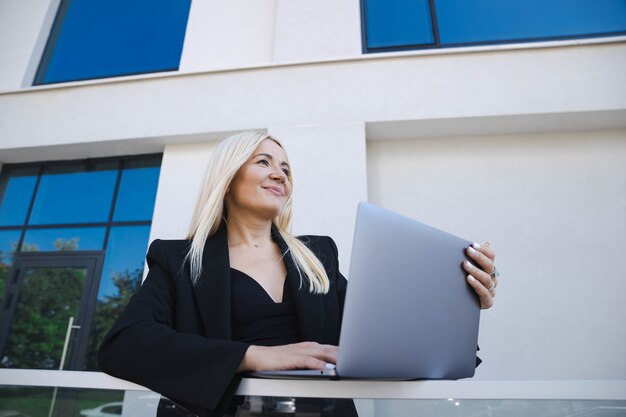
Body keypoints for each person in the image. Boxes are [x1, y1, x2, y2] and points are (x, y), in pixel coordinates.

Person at [98, 131, 498, 417]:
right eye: (264, 162)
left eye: (286, 168)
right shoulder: (179, 260)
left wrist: (460, 301)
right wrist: (255, 357)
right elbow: (123, 345)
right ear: (228, 177)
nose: (280, 174)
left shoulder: (317, 258)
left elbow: (382, 340)